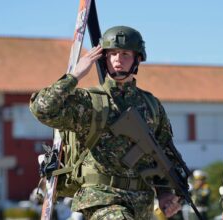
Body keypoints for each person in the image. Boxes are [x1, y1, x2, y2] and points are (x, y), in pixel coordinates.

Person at [30, 26, 183, 219]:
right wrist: (74, 76)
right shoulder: (88, 101)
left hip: (141, 203)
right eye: (112, 54)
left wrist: (166, 193)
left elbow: (165, 154)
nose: (118, 59)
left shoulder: (151, 105)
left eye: (125, 53)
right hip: (100, 198)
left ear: (137, 59)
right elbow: (42, 108)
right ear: (104, 58)